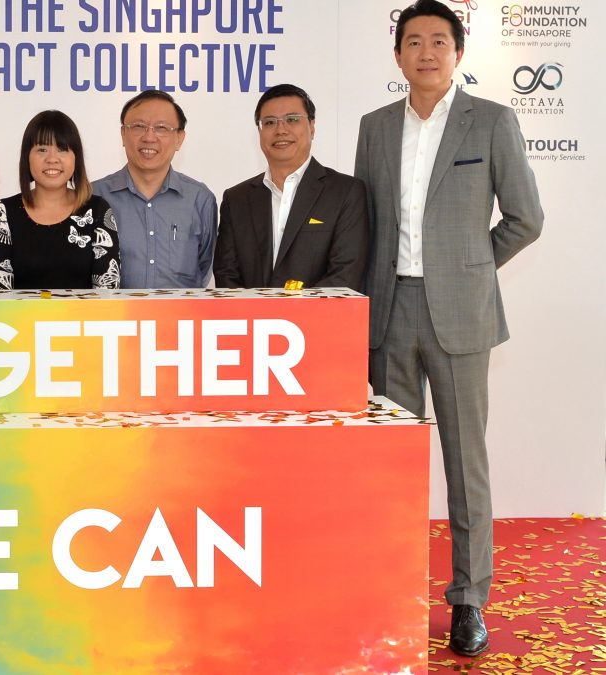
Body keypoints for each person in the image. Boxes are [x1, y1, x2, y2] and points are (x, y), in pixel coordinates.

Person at [355, 0, 543, 657]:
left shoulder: (491, 121)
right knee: (391, 468)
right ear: (398, 55)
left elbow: (526, 218)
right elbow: (365, 223)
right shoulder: (374, 127)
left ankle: (468, 601)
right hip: (389, 311)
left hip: (461, 313)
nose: (426, 52)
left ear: (458, 53)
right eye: (414, 41)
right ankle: (391, 588)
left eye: (439, 40)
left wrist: (466, 269)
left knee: (467, 465)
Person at [213, 84, 368, 290]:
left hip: (320, 320)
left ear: (312, 127)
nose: (281, 130)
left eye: (292, 119)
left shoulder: (345, 192)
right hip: (250, 320)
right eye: (269, 122)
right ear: (259, 132)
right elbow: (226, 275)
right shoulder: (236, 199)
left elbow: (345, 275)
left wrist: (286, 318)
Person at [92, 90, 216, 288]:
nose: (149, 137)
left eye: (161, 128)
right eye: (139, 126)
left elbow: (204, 267)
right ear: (123, 134)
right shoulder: (93, 196)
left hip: (180, 316)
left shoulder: (200, 199)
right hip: (113, 317)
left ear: (179, 139)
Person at [0, 110, 120, 290]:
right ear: (27, 158)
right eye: (42, 150)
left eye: (62, 149)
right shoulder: (2, 212)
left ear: (76, 158)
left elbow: (107, 291)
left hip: (83, 318)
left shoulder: (97, 210)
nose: (52, 159)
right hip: (17, 318)